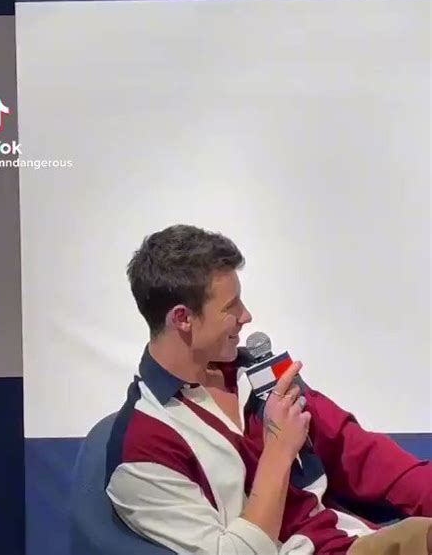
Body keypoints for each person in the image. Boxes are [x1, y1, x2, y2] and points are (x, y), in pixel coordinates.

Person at [105, 225, 432, 555]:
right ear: (183, 319)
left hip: (355, 540)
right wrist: (278, 450)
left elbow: (360, 454)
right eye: (231, 307)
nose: (246, 316)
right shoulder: (143, 446)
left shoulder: (255, 374)